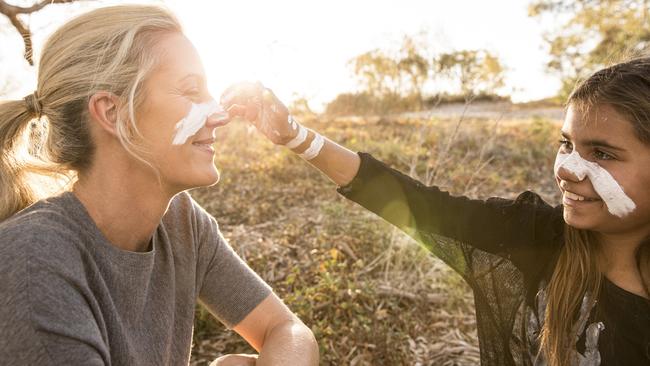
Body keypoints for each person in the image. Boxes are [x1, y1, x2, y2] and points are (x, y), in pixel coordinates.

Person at [221, 55, 650, 365]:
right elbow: (419, 205)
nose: (569, 169)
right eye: (566, 144)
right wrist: (295, 136)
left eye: (603, 154)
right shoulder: (532, 235)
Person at [0, 5, 318, 366]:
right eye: (191, 90)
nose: (219, 114)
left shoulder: (180, 223)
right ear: (111, 112)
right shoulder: (32, 263)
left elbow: (287, 330)